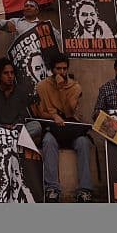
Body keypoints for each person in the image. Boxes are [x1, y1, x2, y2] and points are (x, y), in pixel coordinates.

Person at [34, 53, 93, 202]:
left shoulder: (75, 87)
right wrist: (53, 116)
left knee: (83, 142)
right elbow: (40, 112)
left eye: (64, 69)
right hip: (53, 127)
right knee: (48, 141)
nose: (62, 72)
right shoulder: (42, 86)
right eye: (58, 69)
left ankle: (85, 190)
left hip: (71, 127)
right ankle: (52, 188)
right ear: (52, 69)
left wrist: (61, 89)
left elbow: (69, 111)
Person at [0, 58, 41, 139]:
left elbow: (23, 115)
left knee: (36, 125)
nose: (10, 76)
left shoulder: (21, 91)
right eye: (6, 73)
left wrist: (13, 126)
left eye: (12, 73)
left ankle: (11, 139)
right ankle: (13, 139)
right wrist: (3, 127)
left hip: (16, 129)